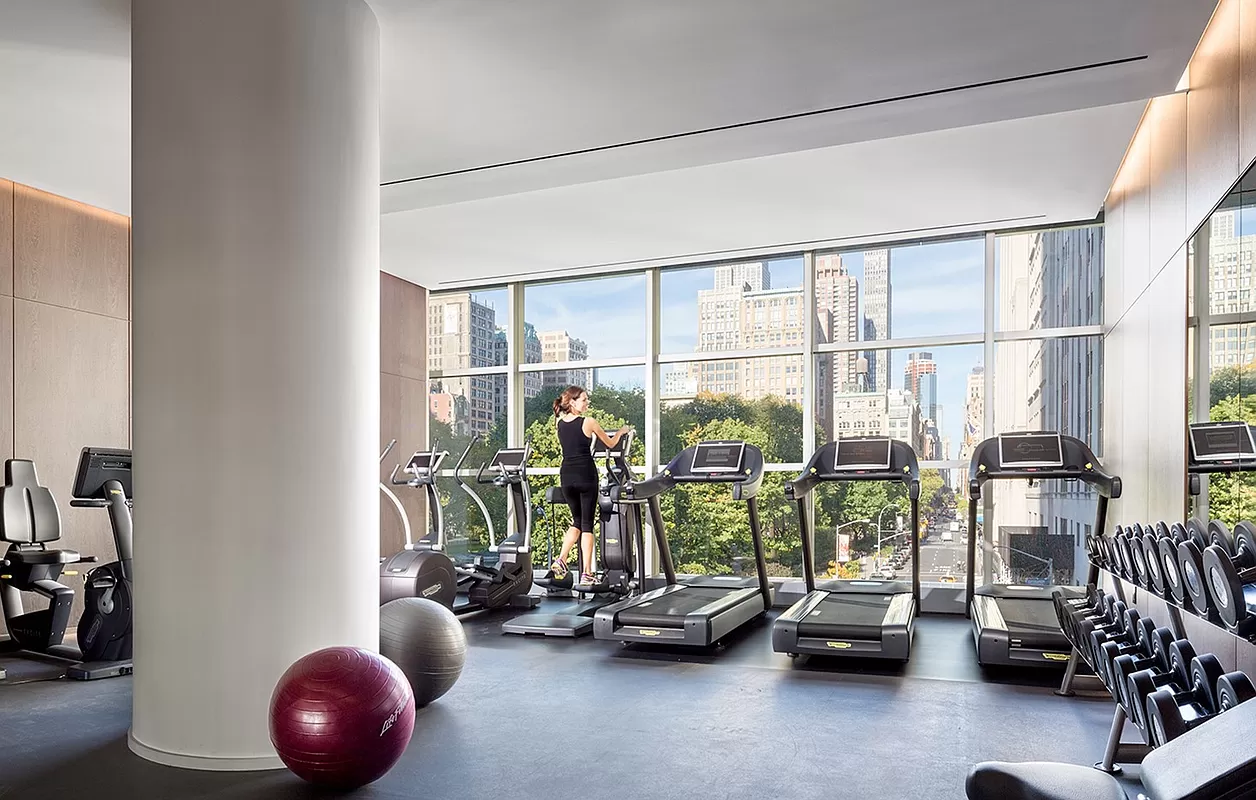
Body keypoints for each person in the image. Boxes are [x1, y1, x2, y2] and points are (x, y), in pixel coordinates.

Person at [550, 385, 632, 585]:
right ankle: (587, 573)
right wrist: (621, 432)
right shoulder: (589, 422)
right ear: (572, 402)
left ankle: (561, 559)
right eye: (584, 400)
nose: (587, 403)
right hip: (586, 475)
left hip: (567, 476)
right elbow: (611, 444)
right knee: (587, 525)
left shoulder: (559, 423)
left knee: (576, 522)